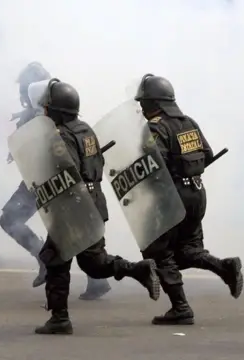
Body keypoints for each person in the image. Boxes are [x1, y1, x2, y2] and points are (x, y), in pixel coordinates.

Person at [32, 78, 159, 335]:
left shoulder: (60, 137)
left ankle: (59, 319)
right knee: (94, 263)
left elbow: (66, 173)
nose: (44, 111)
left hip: (72, 205)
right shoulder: (86, 129)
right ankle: (137, 269)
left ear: (54, 110)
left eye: (47, 107)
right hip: (93, 201)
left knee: (56, 261)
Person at [134, 74, 243, 325]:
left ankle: (180, 308)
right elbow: (206, 155)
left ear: (155, 103)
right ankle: (224, 267)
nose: (141, 108)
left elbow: (154, 163)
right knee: (188, 250)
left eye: (144, 102)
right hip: (196, 194)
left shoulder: (155, 127)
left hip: (171, 198)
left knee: (158, 251)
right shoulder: (188, 122)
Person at [0, 62, 112, 300]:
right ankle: (96, 279)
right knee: (75, 229)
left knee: (11, 218)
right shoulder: (50, 108)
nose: (21, 95)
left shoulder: (46, 113)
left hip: (44, 178)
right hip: (47, 178)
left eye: (24, 89)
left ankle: (47, 264)